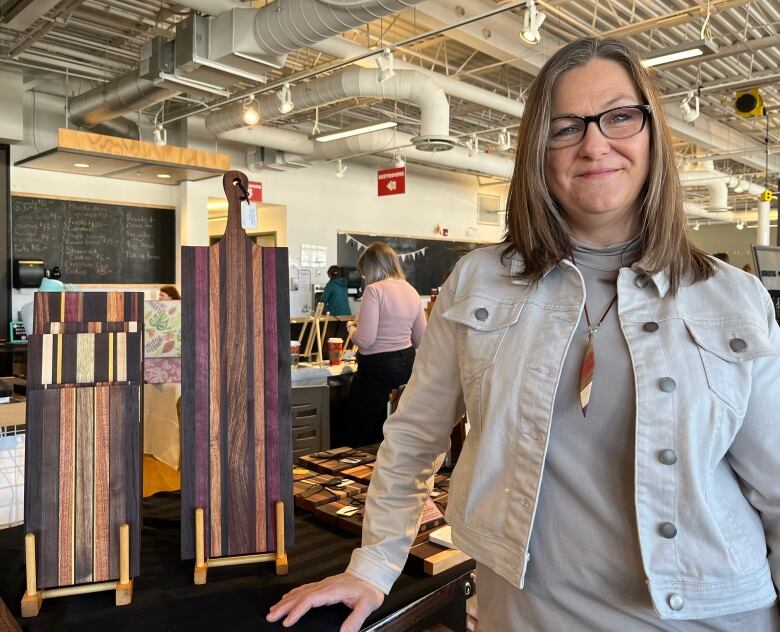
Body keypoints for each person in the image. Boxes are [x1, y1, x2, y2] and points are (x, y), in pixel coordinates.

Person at [268, 37, 780, 632]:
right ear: (539, 150)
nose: (594, 143)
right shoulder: (478, 282)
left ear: (651, 133)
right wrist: (374, 564)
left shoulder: (731, 296)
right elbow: (412, 439)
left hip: (715, 612)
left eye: (619, 116)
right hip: (528, 612)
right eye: (565, 127)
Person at [340, 243, 426, 447]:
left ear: (372, 267)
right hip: (406, 366)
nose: (364, 278)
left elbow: (366, 341)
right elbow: (421, 339)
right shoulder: (411, 290)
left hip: (376, 369)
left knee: (354, 433)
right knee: (391, 433)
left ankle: (351, 474)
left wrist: (351, 328)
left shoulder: (374, 290)